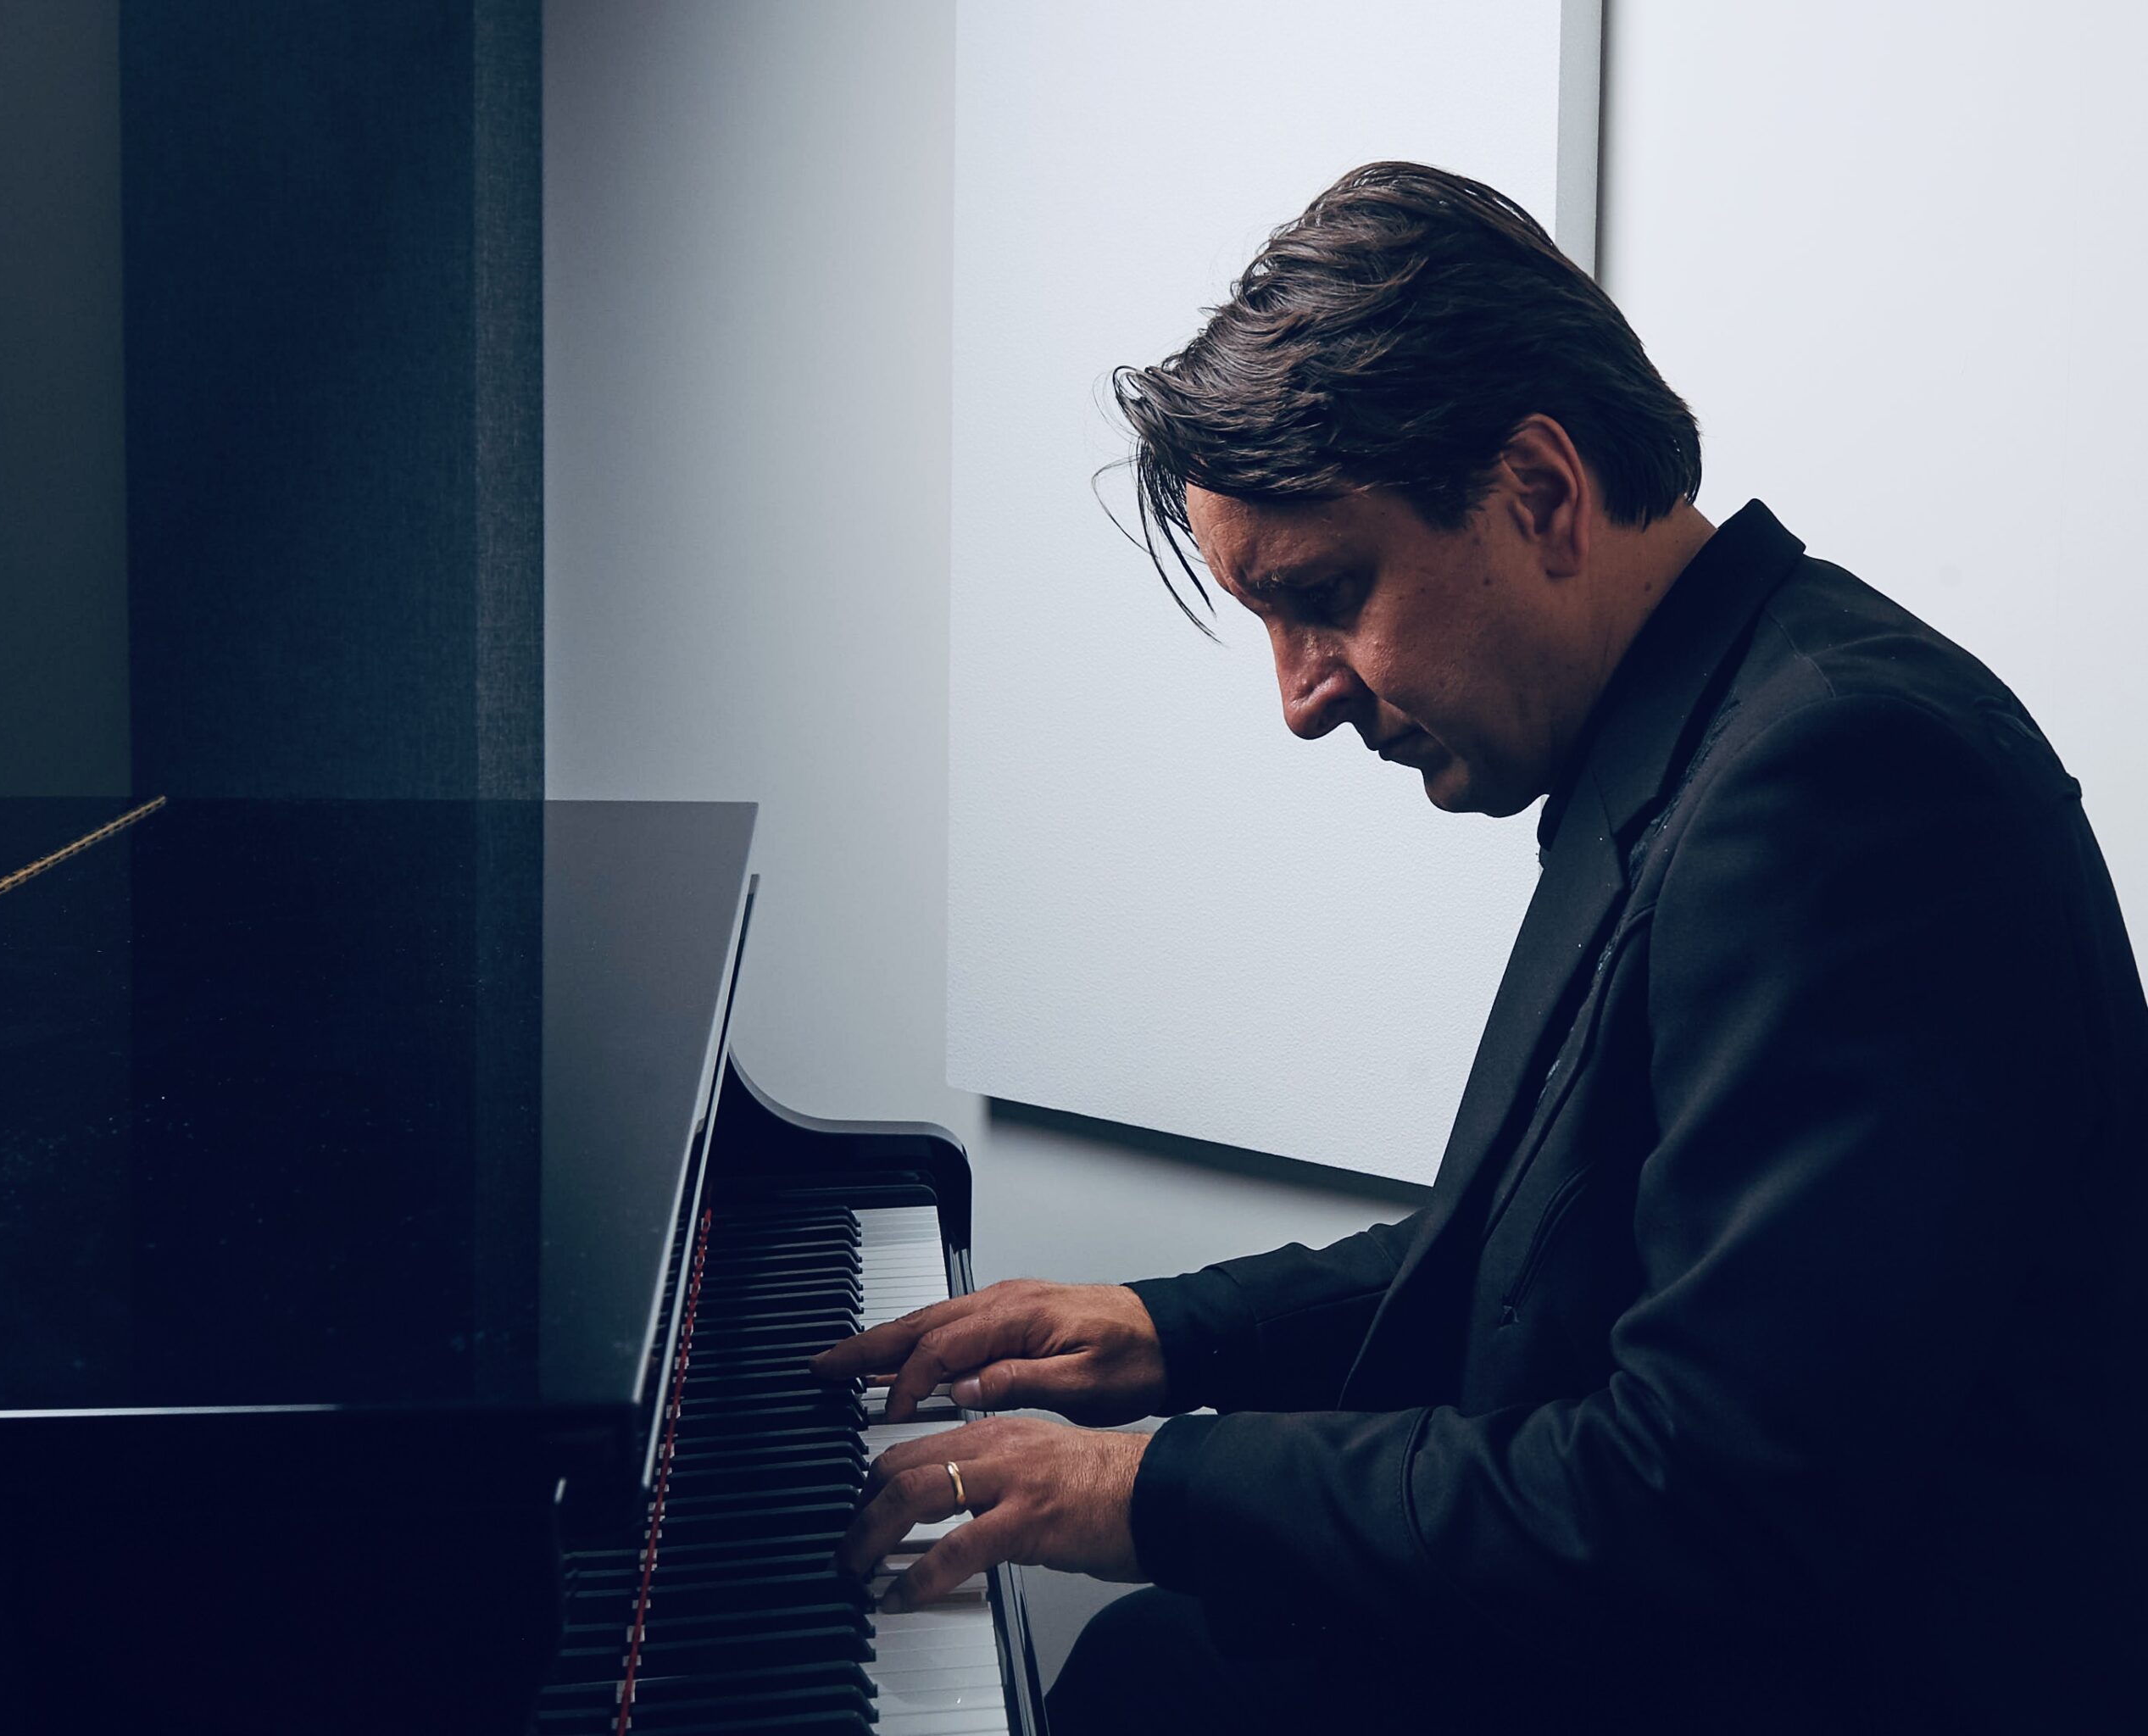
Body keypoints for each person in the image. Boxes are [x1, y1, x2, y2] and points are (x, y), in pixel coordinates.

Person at [812, 162, 2147, 1732]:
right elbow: (1545, 1255)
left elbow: (1705, 1495)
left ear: (1538, 491)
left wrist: (1145, 1487)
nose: (1300, 695)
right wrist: (1170, 1332)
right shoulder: (1709, 724)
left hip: (1836, 1672)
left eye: (1325, 596)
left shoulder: (1842, 783)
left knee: (1150, 1689)